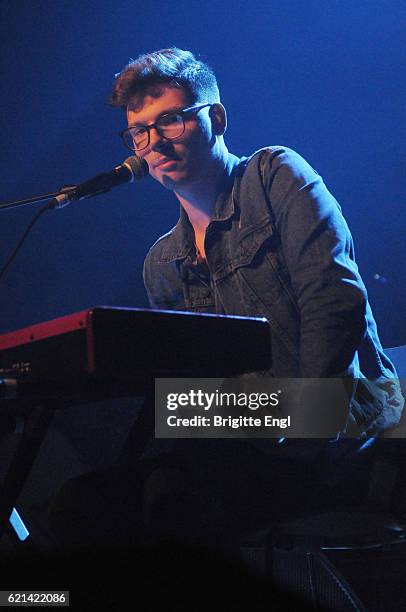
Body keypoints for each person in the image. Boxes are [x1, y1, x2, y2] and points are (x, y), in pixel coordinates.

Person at [49, 48, 403, 554]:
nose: (153, 143)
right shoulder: (161, 262)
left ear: (216, 117)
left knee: (177, 505)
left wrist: (296, 432)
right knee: (80, 504)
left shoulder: (275, 174)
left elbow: (333, 306)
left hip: (355, 416)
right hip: (251, 434)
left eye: (169, 120)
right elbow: (197, 393)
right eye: (139, 131)